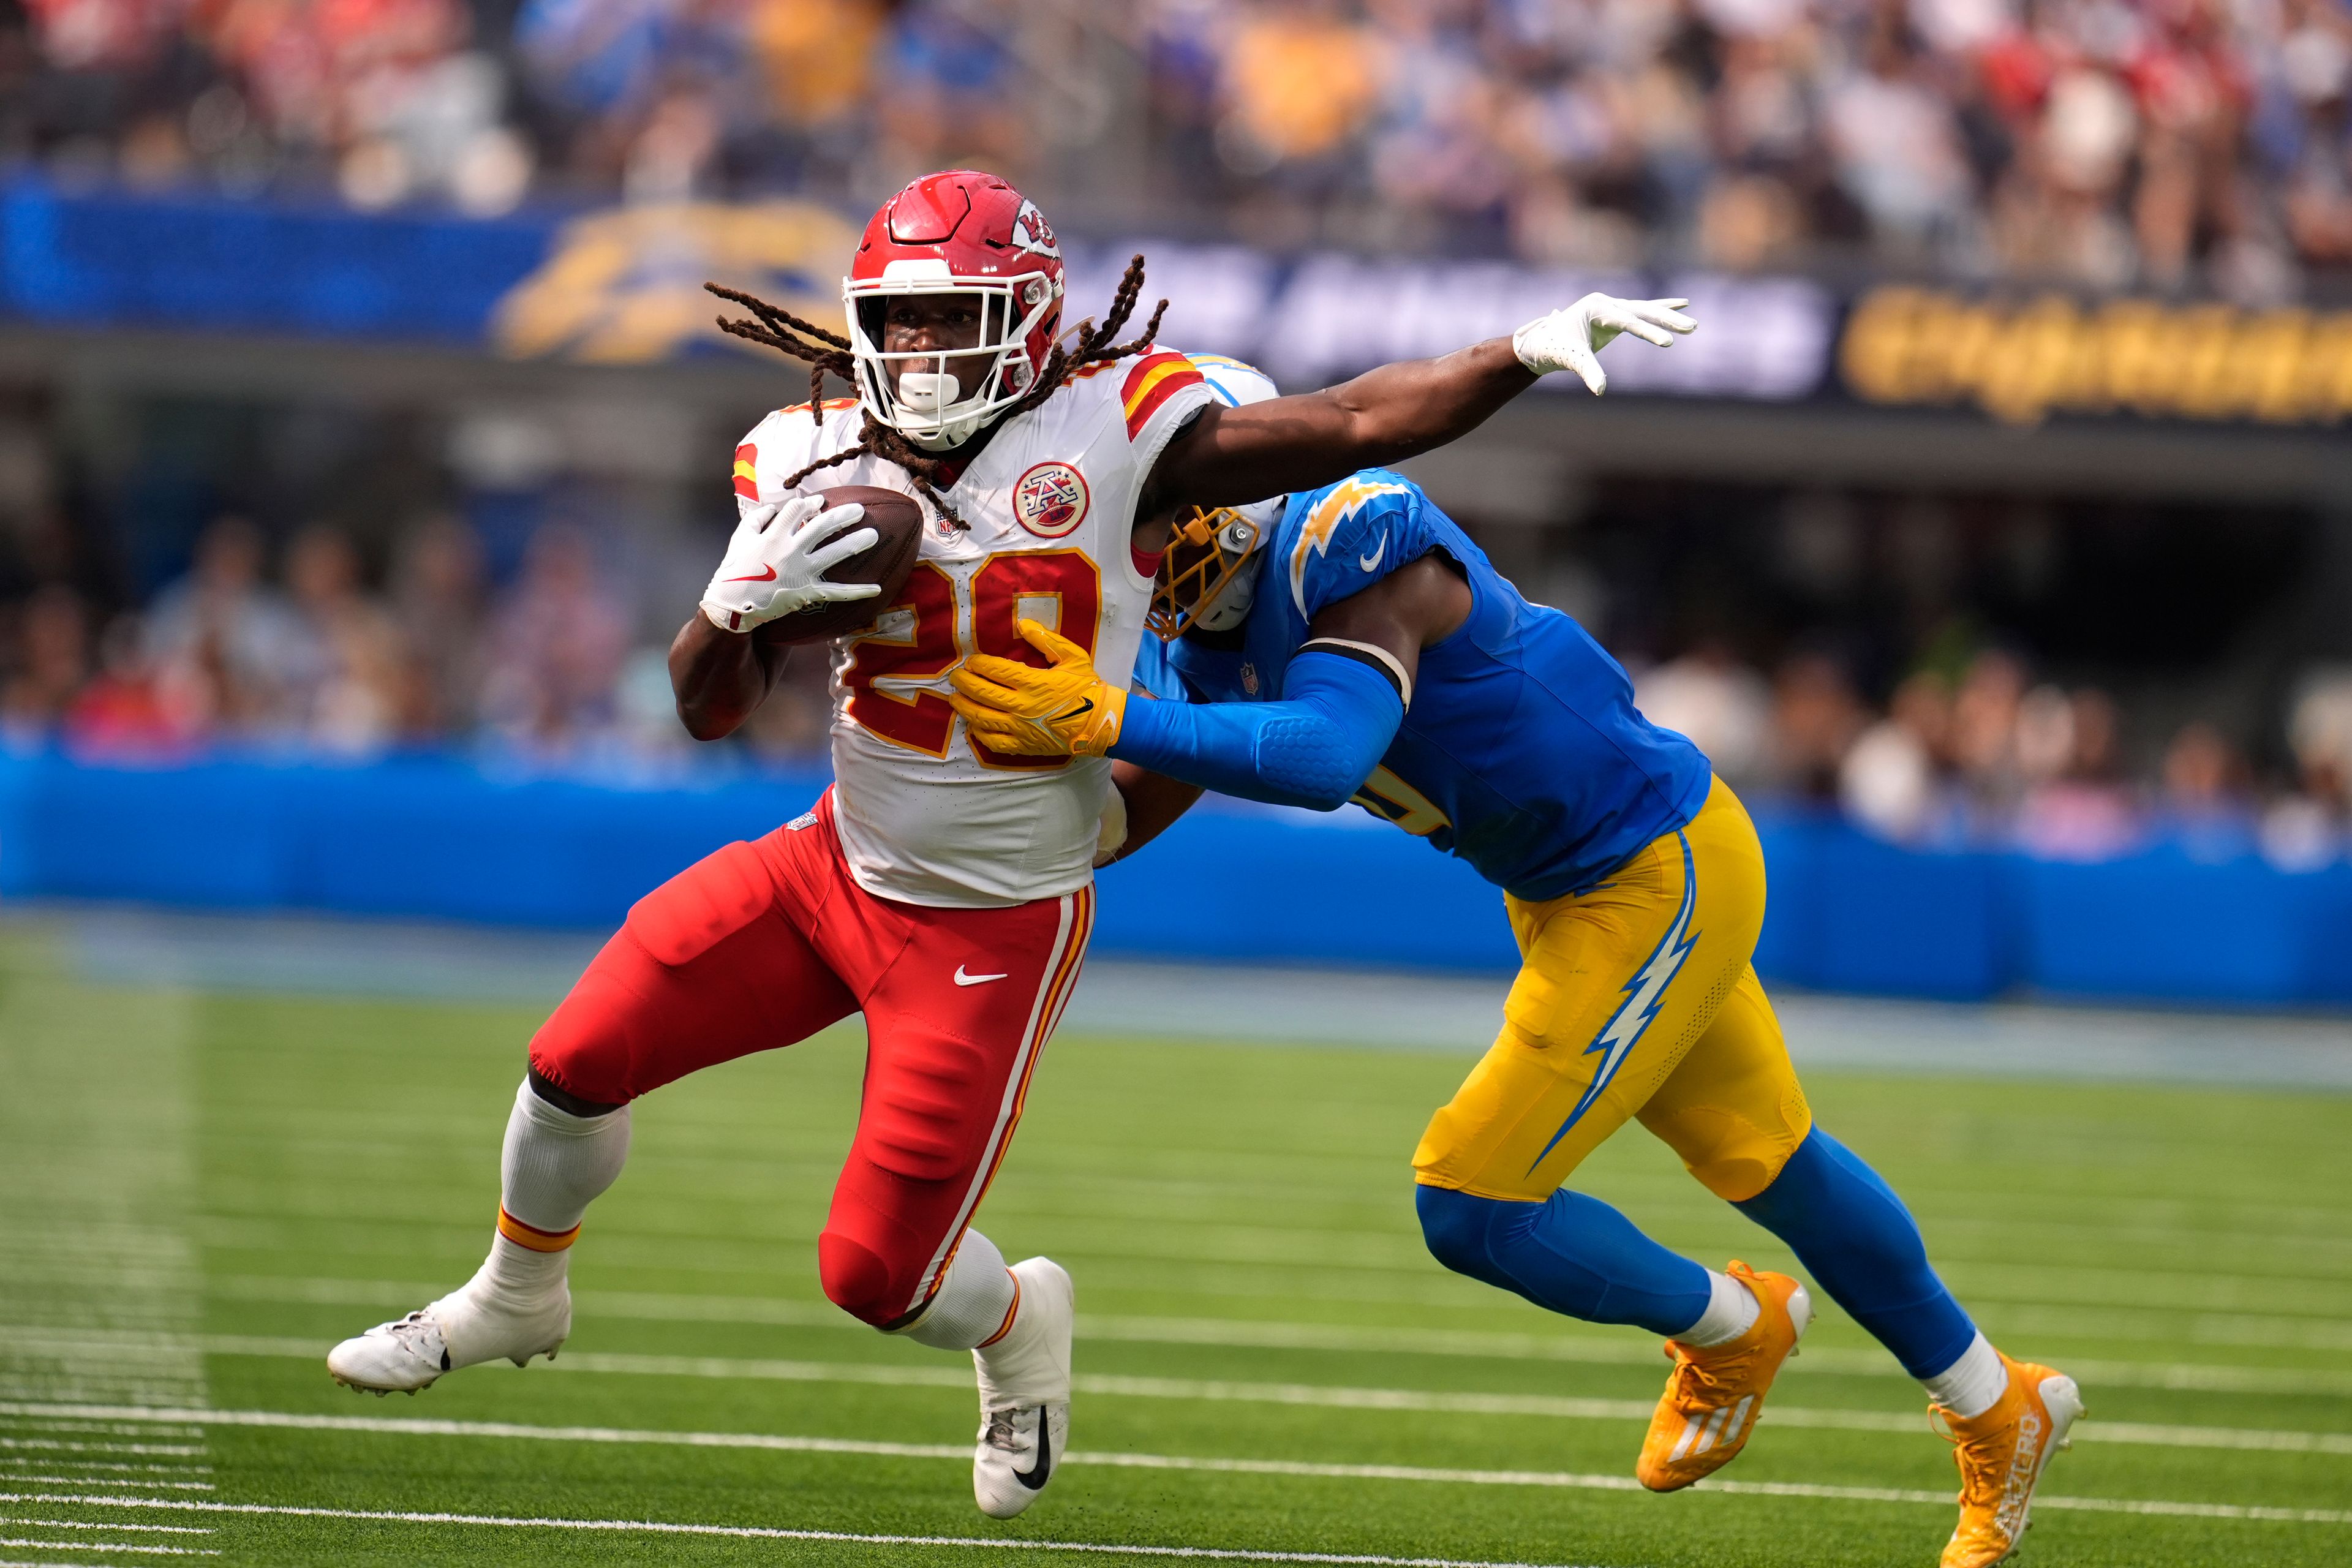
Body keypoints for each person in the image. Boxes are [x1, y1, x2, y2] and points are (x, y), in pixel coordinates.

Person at [325, 168, 1696, 1521]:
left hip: (990, 924)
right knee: (573, 1055)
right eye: (900, 319)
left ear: (1032, 315)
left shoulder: (1121, 427)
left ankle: (1022, 1315)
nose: (919, 351)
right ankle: (515, 1292)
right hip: (829, 865)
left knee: (876, 1273)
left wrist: (1517, 351)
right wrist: (729, 611)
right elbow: (706, 710)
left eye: (952, 316)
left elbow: (1345, 419)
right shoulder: (806, 449)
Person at [944, 356, 2082, 1568]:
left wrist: (1115, 714)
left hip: (1655, 867)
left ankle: (1732, 1326)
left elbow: (1327, 750)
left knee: (1473, 1197)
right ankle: (1996, 1399)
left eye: (1161, 509)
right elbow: (1138, 796)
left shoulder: (1361, 548)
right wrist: (995, 845)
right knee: (1773, 1160)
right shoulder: (1197, 643)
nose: (1143, 540)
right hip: (1578, 889)